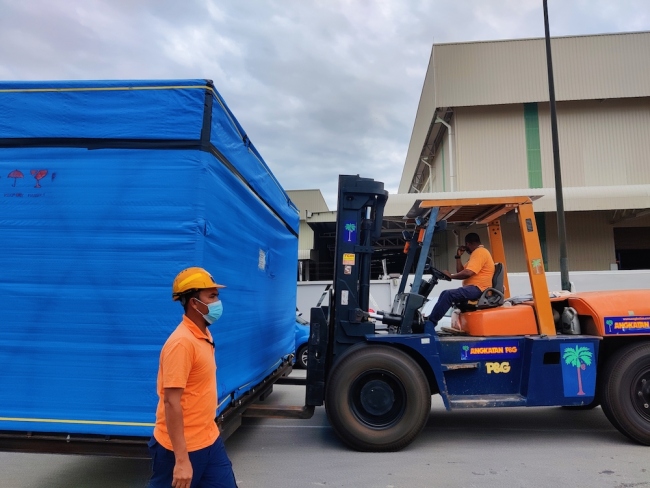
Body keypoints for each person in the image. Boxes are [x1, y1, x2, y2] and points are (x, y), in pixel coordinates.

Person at [148, 267, 238, 488]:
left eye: (217, 296)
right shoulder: (181, 343)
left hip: (208, 438)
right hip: (180, 448)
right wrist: (181, 461)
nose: (217, 302)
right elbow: (171, 402)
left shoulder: (203, 334)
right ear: (194, 303)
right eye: (212, 296)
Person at [427, 233, 495, 328]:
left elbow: (468, 273)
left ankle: (430, 323)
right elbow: (461, 271)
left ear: (468, 244)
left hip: (479, 289)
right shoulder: (476, 254)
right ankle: (430, 320)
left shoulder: (480, 252)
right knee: (445, 293)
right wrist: (458, 257)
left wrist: (451, 276)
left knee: (448, 294)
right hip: (474, 288)